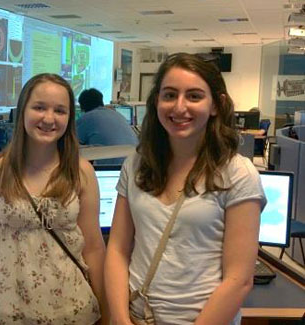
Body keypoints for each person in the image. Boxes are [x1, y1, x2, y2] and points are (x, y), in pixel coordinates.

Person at [104, 53, 266, 325]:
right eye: (169, 95)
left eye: (194, 96)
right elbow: (118, 250)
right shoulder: (136, 165)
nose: (179, 107)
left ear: (216, 105)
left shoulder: (237, 173)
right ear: (157, 101)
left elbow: (239, 280)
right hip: (137, 316)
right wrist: (121, 321)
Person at [0, 73, 108, 325]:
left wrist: (107, 314)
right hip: (6, 313)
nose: (49, 118)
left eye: (60, 110)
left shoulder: (80, 172)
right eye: (39, 107)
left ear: (70, 117)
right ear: (23, 111)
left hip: (72, 312)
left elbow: (93, 247)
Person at [75, 88, 138, 165]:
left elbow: (70, 142)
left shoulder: (87, 118)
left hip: (111, 169)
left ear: (83, 107)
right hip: (135, 165)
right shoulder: (117, 115)